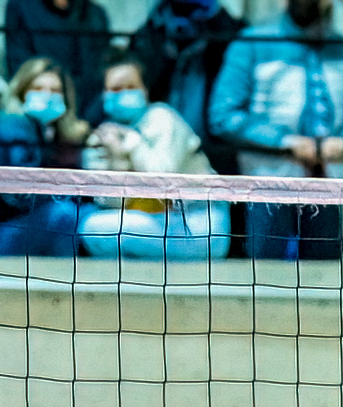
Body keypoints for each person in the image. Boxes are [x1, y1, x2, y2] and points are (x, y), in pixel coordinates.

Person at [207, 0, 343, 260]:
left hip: (329, 183)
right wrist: (283, 142)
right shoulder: (252, 43)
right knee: (266, 271)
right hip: (268, 182)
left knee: (325, 274)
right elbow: (223, 115)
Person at [78, 57, 231, 260]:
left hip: (198, 224)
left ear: (145, 90)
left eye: (131, 86)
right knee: (91, 225)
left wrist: (131, 142)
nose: (124, 93)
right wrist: (118, 161)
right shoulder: (103, 135)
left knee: (97, 228)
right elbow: (109, 202)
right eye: (115, 88)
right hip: (152, 222)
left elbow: (162, 178)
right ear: (103, 94)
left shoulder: (163, 117)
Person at [0, 58, 90, 256]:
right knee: (65, 214)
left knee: (87, 215)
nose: (47, 96)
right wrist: (64, 193)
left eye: (55, 90)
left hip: (30, 224)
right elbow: (18, 197)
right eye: (38, 88)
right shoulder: (9, 124)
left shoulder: (57, 135)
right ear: (22, 91)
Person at [129, 0, 245, 172]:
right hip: (161, 150)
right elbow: (146, 83)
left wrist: (216, 18)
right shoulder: (148, 34)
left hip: (213, 156)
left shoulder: (228, 30)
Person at [3, 0, 111, 118]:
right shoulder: (21, 7)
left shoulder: (96, 14)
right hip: (34, 113)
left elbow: (99, 74)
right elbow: (20, 69)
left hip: (87, 116)